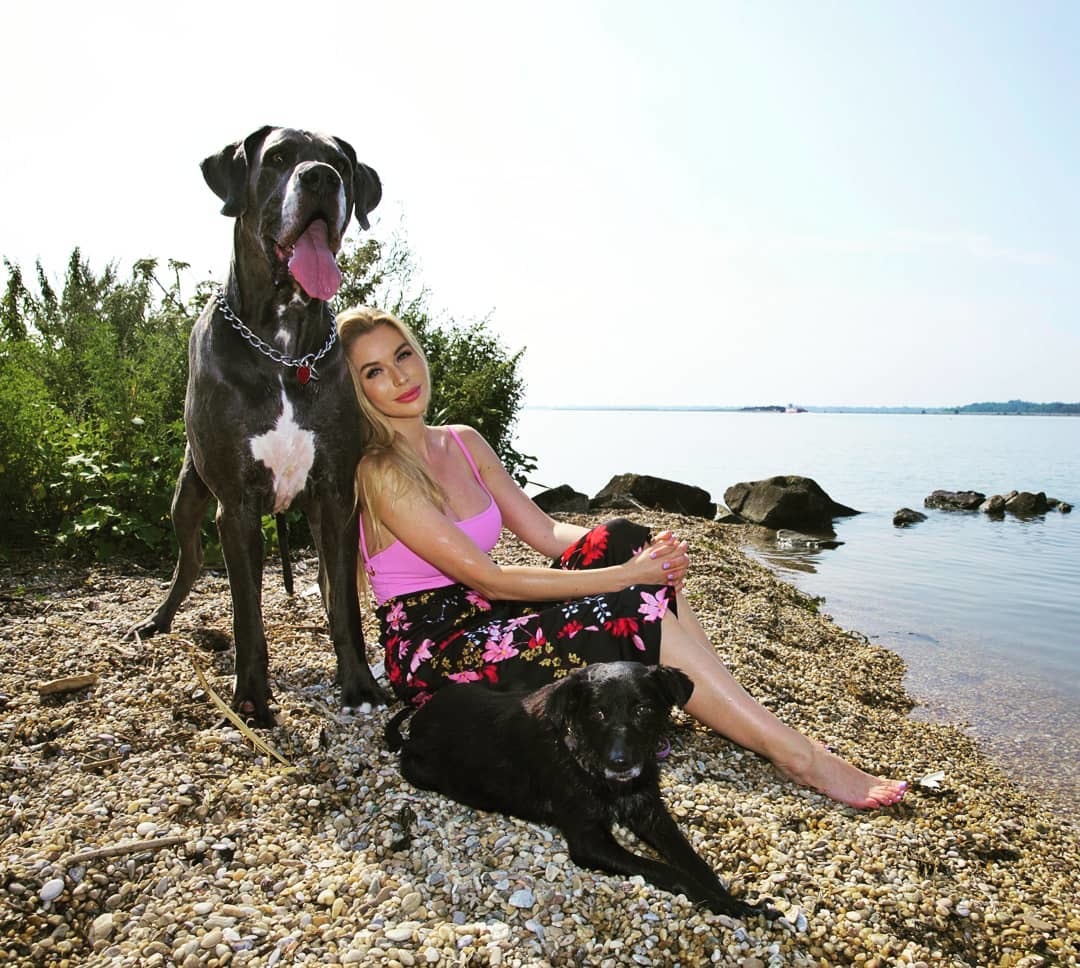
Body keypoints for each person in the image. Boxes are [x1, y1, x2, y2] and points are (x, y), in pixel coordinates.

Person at [338, 306, 908, 810]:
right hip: (438, 652)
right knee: (626, 602)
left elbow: (544, 530)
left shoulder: (462, 441)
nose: (400, 377)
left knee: (624, 534)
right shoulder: (380, 471)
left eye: (402, 355)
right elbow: (488, 578)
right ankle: (796, 755)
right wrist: (626, 577)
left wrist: (644, 552)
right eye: (374, 372)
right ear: (356, 390)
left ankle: (725, 703)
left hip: (492, 619)